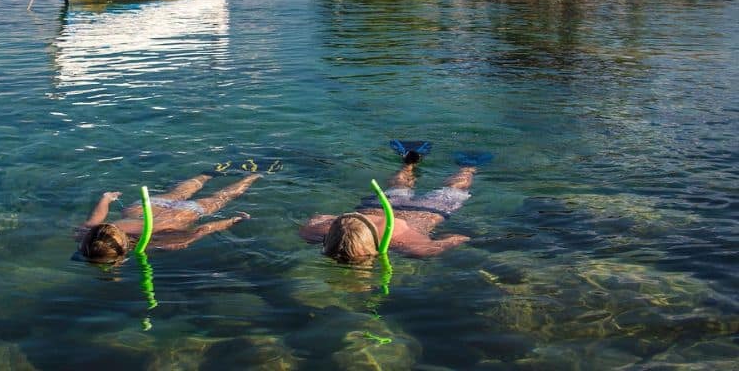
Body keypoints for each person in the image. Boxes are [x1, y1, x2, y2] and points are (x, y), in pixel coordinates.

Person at [299, 141, 489, 262]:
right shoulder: (316, 230)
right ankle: (410, 162)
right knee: (399, 187)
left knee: (454, 190)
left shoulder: (408, 245)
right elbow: (318, 218)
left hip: (427, 211)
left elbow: (458, 238)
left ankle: (468, 166)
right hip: (378, 206)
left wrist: (450, 240)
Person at [77, 171, 258, 262]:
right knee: (177, 193)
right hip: (141, 209)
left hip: (177, 217)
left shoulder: (152, 245)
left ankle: (252, 177)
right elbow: (97, 216)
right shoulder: (88, 233)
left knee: (218, 199)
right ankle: (208, 174)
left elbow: (199, 231)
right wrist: (106, 199)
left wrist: (232, 221)